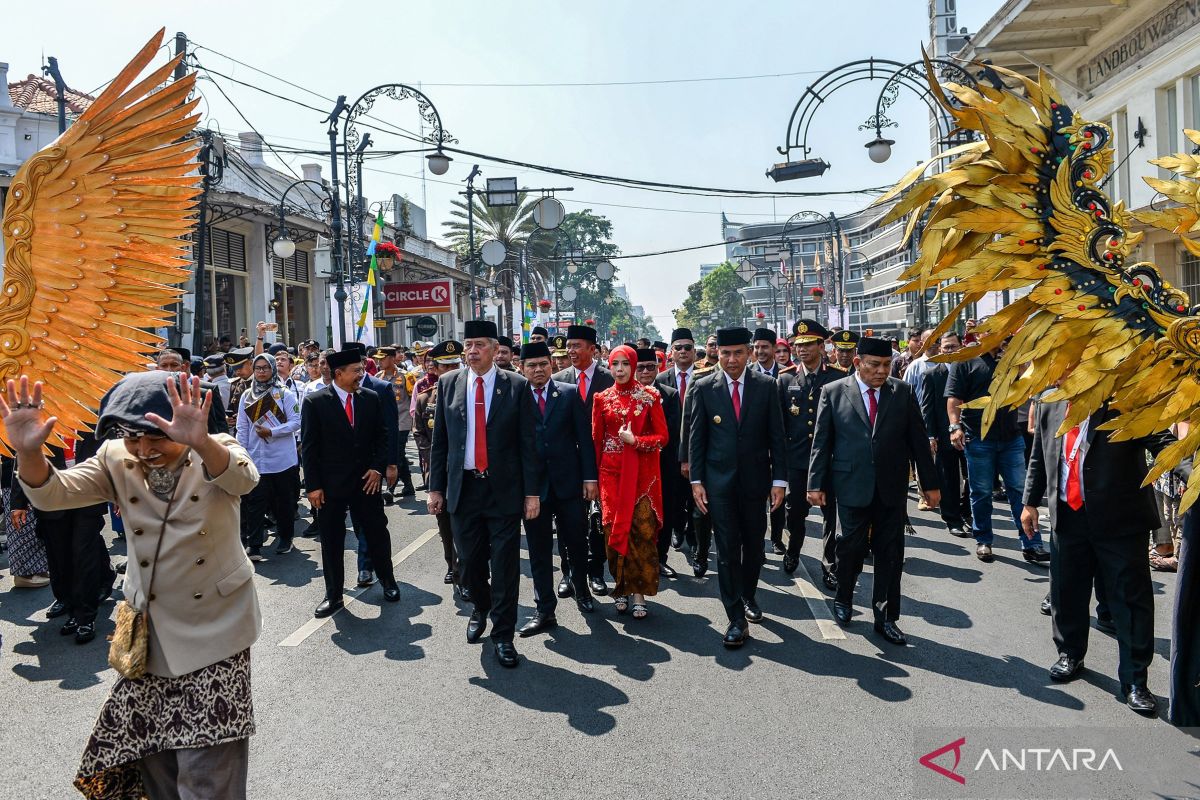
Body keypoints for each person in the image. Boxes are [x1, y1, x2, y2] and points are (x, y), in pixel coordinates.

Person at [4, 372, 261, 799]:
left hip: (218, 632)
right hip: (150, 636)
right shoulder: (114, 457)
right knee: (153, 762)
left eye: (154, 437)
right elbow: (53, 494)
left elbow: (244, 480)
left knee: (207, 776)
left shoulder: (214, 449)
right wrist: (29, 453)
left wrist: (200, 441)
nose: (144, 449)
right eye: (132, 437)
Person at [1021, 399, 1188, 715]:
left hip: (1120, 522)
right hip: (1068, 520)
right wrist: (1029, 502)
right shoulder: (1049, 403)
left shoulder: (1125, 401)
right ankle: (1070, 652)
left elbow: (1166, 445)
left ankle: (1135, 681)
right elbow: (1039, 457)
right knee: (1066, 592)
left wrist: (1193, 475)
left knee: (1131, 602)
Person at [808, 336, 939, 646]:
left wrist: (930, 485)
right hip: (851, 485)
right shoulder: (834, 392)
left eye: (885, 365)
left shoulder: (902, 392)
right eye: (874, 365)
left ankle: (886, 617)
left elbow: (919, 442)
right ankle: (843, 598)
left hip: (891, 489)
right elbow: (822, 442)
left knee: (891, 555)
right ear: (858, 363)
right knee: (849, 548)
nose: (882, 371)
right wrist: (815, 484)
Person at [428, 320, 542, 668]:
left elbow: (528, 443)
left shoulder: (517, 386)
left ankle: (504, 635)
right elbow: (441, 442)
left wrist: (532, 493)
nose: (472, 351)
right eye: (468, 345)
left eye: (479, 344)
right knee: (470, 562)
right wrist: (435, 488)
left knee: (505, 566)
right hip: (464, 488)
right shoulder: (448, 384)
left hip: (503, 490)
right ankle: (480, 605)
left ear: (495, 349)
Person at [686, 327, 787, 647]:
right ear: (718, 354)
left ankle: (748, 595)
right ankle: (735, 617)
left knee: (754, 546)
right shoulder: (704, 387)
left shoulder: (767, 386)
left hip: (756, 482)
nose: (731, 359)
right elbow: (696, 439)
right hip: (719, 484)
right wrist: (697, 481)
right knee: (728, 548)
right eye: (726, 353)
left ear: (749, 353)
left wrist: (779, 481)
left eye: (738, 353)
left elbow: (777, 437)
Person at [301, 348, 401, 618]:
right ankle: (333, 595)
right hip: (330, 486)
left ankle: (388, 581)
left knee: (377, 533)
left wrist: (377, 468)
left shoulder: (370, 398)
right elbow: (309, 449)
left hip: (366, 483)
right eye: (356, 371)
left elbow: (382, 436)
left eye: (362, 369)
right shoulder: (315, 402)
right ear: (339, 374)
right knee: (332, 540)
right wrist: (313, 486)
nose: (361, 374)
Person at [517, 341, 598, 636]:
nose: (538, 370)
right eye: (532, 365)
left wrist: (590, 478)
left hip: (569, 482)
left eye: (543, 364)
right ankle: (544, 610)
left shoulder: (568, 393)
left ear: (552, 365)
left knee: (576, 541)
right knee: (539, 550)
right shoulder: (516, 396)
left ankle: (582, 589)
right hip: (533, 488)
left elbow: (584, 439)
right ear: (522, 368)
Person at [947, 340, 1050, 564]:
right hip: (978, 438)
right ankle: (983, 539)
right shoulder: (965, 359)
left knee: (1021, 492)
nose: (999, 336)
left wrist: (1017, 360)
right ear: (980, 334)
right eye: (993, 332)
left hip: (1011, 438)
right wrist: (955, 427)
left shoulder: (1011, 357)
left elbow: (1029, 385)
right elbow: (954, 397)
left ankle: (1032, 544)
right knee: (981, 492)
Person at [10, 432, 113, 643]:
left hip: (87, 499)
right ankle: (68, 603)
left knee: (83, 556)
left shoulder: (91, 421)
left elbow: (113, 459)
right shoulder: (41, 425)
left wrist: (120, 493)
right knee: (60, 557)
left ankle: (85, 618)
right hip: (52, 501)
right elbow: (25, 458)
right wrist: (18, 503)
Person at [591, 344, 669, 619]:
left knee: (643, 533)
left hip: (643, 478)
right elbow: (596, 441)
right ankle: (620, 588)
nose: (621, 369)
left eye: (625, 364)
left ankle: (638, 593)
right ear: (609, 366)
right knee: (613, 534)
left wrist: (635, 441)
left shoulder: (649, 396)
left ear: (633, 366)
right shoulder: (601, 398)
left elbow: (662, 437)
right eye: (616, 364)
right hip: (610, 476)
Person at [777, 319, 842, 584]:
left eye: (807, 344)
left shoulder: (838, 377)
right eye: (797, 345)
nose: (801, 349)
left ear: (821, 345)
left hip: (830, 459)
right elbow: (779, 425)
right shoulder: (786, 379)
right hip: (797, 459)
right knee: (795, 512)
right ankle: (793, 551)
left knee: (831, 514)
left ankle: (830, 564)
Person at [553, 324, 616, 597]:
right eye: (569, 346)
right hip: (567, 464)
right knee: (568, 521)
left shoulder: (610, 379)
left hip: (604, 462)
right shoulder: (558, 379)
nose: (571, 351)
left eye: (577, 346)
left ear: (594, 349)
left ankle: (595, 571)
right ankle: (568, 571)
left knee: (599, 520)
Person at [236, 354, 301, 558]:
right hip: (257, 460)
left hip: (282, 460)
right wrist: (241, 453)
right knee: (255, 502)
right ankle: (254, 544)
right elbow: (242, 427)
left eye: (265, 368)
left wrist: (273, 431)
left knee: (284, 503)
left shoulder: (284, 394)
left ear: (272, 369)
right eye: (258, 368)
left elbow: (296, 422)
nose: (262, 371)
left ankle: (285, 538)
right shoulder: (247, 395)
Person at [413, 340, 464, 591]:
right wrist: (432, 461)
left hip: (465, 470)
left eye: (456, 364)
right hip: (439, 470)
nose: (452, 370)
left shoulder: (471, 394)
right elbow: (420, 433)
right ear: (436, 369)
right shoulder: (426, 399)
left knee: (466, 522)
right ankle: (451, 564)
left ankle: (466, 568)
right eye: (446, 366)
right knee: (445, 523)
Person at [919, 332, 971, 536]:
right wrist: (931, 435)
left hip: (971, 434)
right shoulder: (932, 374)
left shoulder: (970, 369)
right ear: (940, 349)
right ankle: (952, 519)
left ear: (962, 347)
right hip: (943, 435)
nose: (950, 350)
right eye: (946, 347)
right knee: (947, 478)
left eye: (954, 346)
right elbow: (927, 408)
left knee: (972, 477)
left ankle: (967, 512)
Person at [638, 348, 681, 578]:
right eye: (641, 367)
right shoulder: (626, 393)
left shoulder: (670, 394)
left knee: (664, 512)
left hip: (663, 462)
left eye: (650, 367)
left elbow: (673, 430)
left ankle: (660, 557)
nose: (646, 372)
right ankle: (638, 558)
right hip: (634, 464)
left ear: (658, 368)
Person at [656, 327, 698, 553]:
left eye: (687, 347)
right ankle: (678, 529)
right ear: (671, 352)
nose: (683, 352)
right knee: (674, 497)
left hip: (697, 448)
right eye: (678, 348)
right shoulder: (661, 379)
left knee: (696, 497)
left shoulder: (706, 376)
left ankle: (694, 534)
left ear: (694, 350)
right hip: (671, 451)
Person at [375, 345, 418, 500]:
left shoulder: (407, 376)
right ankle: (408, 484)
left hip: (402, 420)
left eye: (383, 358)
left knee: (397, 453)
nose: (379, 361)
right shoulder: (378, 376)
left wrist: (415, 422)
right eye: (378, 359)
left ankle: (390, 489)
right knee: (398, 455)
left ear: (392, 358)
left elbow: (415, 399)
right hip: (384, 424)